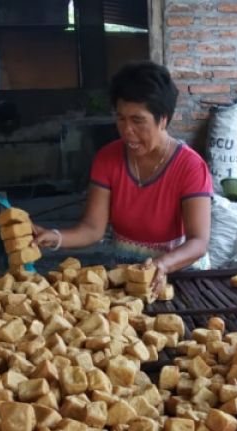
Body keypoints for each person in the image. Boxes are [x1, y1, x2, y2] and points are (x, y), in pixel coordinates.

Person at [33, 61, 212, 297]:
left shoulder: (190, 166)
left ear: (164, 119)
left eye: (137, 120)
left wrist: (163, 264)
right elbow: (92, 229)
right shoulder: (107, 159)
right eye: (121, 118)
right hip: (127, 278)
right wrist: (54, 236)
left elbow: (198, 241)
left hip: (182, 278)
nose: (127, 130)